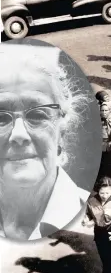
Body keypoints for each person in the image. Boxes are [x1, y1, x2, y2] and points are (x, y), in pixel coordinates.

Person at [0, 45, 91, 240]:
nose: (18, 134)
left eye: (37, 115)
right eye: (1, 118)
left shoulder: (93, 221)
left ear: (62, 131)